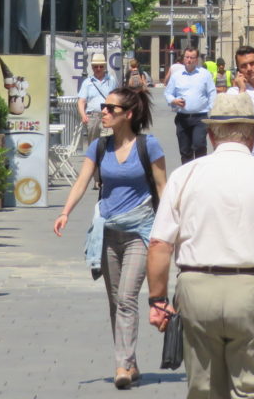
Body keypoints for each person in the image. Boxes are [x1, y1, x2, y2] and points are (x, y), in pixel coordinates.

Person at [146, 92, 254, 399]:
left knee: (204, 390)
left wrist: (157, 300)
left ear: (211, 134)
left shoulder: (185, 175)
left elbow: (160, 244)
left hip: (197, 290)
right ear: (253, 135)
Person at [55, 86, 167, 390]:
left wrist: (170, 230)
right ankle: (131, 361)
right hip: (108, 232)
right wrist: (65, 211)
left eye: (110, 108)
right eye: (103, 107)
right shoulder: (99, 148)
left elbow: (162, 189)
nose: (103, 111)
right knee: (115, 301)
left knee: (128, 298)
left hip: (140, 232)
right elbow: (81, 181)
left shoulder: (149, 146)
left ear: (127, 114)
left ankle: (121, 365)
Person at [165, 46, 217, 162]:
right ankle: (187, 175)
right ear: (183, 58)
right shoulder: (176, 76)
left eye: (192, 58)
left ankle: (199, 174)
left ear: (196, 60)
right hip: (182, 118)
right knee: (185, 150)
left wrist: (211, 110)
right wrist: (173, 100)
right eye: (187, 57)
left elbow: (212, 93)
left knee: (199, 145)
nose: (189, 60)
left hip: (200, 117)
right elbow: (168, 93)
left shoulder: (205, 74)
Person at [78, 55, 115, 148]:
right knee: (94, 145)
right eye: (96, 66)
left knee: (108, 141)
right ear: (92, 67)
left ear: (104, 67)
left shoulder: (111, 80)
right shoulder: (87, 82)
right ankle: (95, 161)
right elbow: (81, 101)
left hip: (107, 115)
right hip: (92, 117)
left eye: (101, 66)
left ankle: (105, 160)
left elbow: (118, 97)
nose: (98, 69)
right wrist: (83, 115)